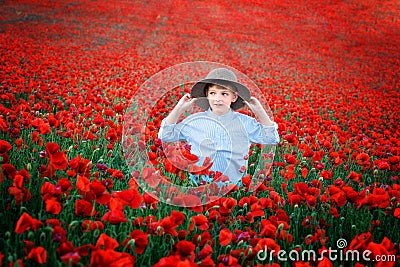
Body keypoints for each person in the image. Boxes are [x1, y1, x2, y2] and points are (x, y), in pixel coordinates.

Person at [158, 68, 279, 185]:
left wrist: (260, 111)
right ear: (207, 95)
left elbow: (271, 138)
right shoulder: (194, 121)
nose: (217, 99)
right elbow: (165, 135)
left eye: (224, 94)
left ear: (234, 97)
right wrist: (179, 109)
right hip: (199, 188)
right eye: (212, 93)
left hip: (234, 191)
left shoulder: (245, 123)